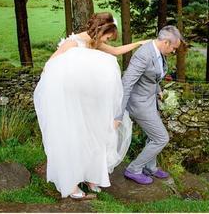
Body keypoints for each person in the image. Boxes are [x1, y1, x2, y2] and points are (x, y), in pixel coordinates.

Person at [34, 12, 149, 199]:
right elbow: (51, 65)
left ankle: (91, 176)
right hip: (71, 101)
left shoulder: (95, 43)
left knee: (93, 137)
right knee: (74, 138)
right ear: (100, 30)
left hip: (88, 102)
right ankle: (70, 183)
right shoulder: (72, 43)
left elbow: (117, 51)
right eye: (107, 37)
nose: (108, 41)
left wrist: (139, 43)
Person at [116, 25, 183, 185]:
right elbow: (126, 84)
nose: (174, 52)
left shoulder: (159, 52)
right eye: (174, 48)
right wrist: (118, 115)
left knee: (152, 136)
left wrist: (158, 89)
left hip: (150, 100)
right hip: (139, 104)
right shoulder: (143, 55)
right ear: (166, 42)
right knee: (161, 138)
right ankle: (134, 169)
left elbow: (152, 76)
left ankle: (150, 167)